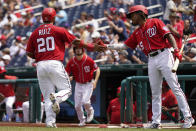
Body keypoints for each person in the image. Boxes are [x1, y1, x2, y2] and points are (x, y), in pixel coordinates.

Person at [106, 5, 194, 129]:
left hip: (164, 54)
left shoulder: (155, 22)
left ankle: (188, 117)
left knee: (175, 87)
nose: (131, 18)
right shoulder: (137, 32)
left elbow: (169, 36)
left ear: (140, 14)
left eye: (132, 15)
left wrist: (176, 50)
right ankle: (156, 121)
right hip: (151, 59)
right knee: (155, 92)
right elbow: (124, 46)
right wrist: (106, 47)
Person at [26, 8, 105, 128]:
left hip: (40, 65)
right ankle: (57, 98)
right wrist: (91, 47)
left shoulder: (35, 32)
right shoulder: (59, 29)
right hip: (54, 63)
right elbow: (76, 42)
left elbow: (29, 53)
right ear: (53, 18)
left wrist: (41, 55)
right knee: (67, 90)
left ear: (42, 18)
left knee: (47, 97)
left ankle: (50, 123)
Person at [65, 45, 100, 126]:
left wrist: (95, 81)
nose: (78, 50)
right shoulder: (72, 61)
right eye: (76, 49)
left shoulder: (88, 60)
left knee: (85, 102)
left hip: (88, 83)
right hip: (78, 84)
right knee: (77, 106)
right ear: (74, 51)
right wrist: (68, 77)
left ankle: (90, 111)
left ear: (82, 50)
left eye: (79, 49)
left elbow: (97, 69)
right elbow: (66, 72)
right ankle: (82, 120)